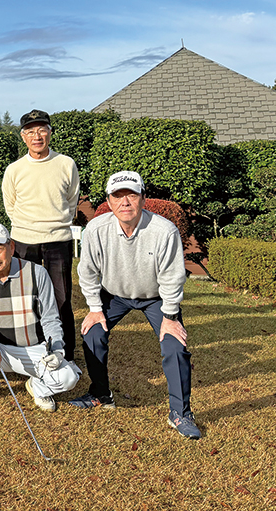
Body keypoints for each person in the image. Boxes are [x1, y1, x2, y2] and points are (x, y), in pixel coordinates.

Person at [71, 171, 199, 439]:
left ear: (143, 198)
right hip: (114, 294)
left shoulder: (164, 231)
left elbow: (173, 278)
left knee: (175, 346)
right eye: (118, 196)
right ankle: (101, 395)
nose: (125, 201)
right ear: (109, 200)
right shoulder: (96, 229)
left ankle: (180, 413)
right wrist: (95, 308)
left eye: (131, 194)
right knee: (92, 333)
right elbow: (88, 272)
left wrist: (170, 316)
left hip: (156, 296)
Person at [0, 223, 81, 411]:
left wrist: (56, 349)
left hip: (33, 349)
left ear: (11, 247)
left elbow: (50, 318)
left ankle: (37, 387)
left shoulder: (36, 272)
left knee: (69, 378)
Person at [1, 109, 80, 360]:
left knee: (62, 298)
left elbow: (71, 200)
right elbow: (10, 205)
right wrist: (27, 225)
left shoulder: (66, 164)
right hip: (24, 241)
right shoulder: (14, 169)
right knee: (27, 297)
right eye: (31, 131)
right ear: (23, 137)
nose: (37, 135)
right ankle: (32, 347)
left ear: (50, 132)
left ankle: (65, 352)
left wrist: (55, 222)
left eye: (42, 129)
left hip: (58, 240)